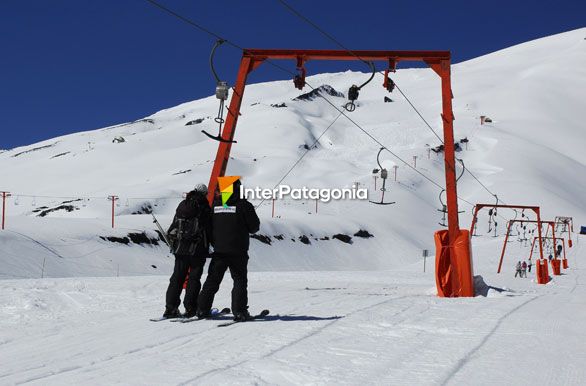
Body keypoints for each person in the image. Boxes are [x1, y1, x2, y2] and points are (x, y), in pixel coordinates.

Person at [197, 179, 260, 321]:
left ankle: (202, 309)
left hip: (219, 250)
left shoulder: (215, 206)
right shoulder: (244, 205)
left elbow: (208, 226)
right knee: (239, 280)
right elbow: (254, 228)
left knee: (212, 280)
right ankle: (239, 312)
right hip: (238, 250)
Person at [162, 184, 211, 319]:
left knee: (177, 278)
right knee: (193, 279)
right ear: (204, 193)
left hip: (180, 248)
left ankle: (170, 308)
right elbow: (208, 228)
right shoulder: (203, 206)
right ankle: (190, 308)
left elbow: (175, 224)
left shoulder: (183, 205)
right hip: (197, 249)